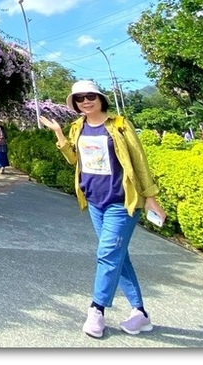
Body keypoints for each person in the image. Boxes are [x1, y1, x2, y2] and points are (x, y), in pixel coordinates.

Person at [39, 79, 167, 339]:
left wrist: (151, 196)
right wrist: (59, 135)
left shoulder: (118, 125)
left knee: (107, 254)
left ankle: (96, 310)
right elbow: (75, 159)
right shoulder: (78, 127)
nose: (85, 101)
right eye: (80, 98)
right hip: (95, 201)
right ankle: (140, 313)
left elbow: (138, 161)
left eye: (90, 96)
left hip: (121, 201)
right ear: (75, 103)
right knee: (118, 255)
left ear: (100, 99)